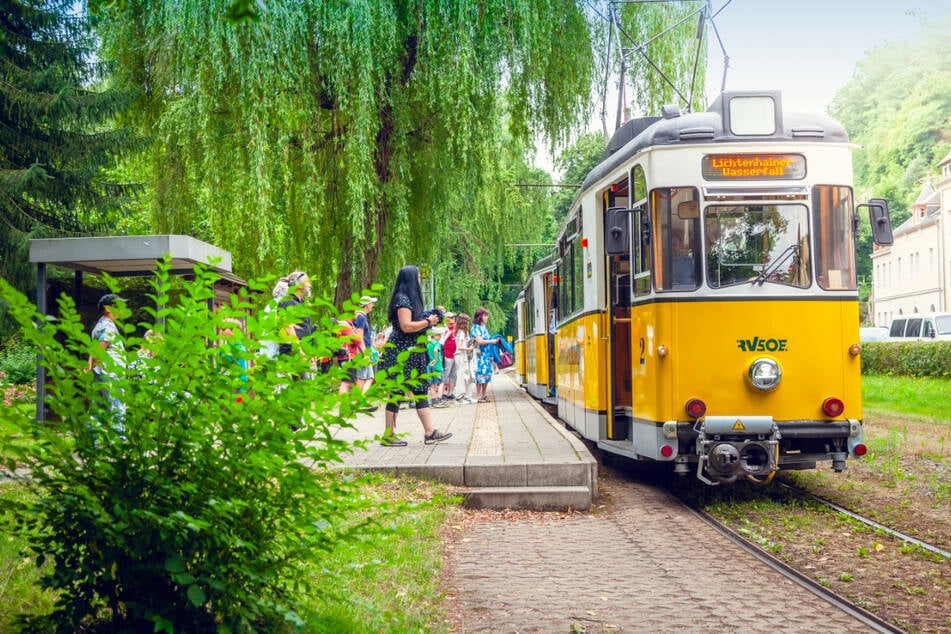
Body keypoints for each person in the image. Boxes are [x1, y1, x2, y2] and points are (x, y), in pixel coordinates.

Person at [378, 265, 452, 446]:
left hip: (413, 352)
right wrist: (428, 321)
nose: (420, 280)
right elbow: (406, 326)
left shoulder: (408, 299)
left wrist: (431, 316)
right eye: (418, 277)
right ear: (411, 279)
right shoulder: (402, 300)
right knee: (396, 392)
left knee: (419, 391)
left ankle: (429, 432)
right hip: (402, 352)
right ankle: (389, 435)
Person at [87, 293, 128, 437]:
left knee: (98, 409)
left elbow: (93, 351)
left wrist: (89, 369)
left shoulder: (100, 325)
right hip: (110, 374)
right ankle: (119, 443)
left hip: (101, 374)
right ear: (108, 308)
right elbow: (99, 352)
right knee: (117, 409)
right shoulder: (108, 327)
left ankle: (90, 443)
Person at [471, 308, 501, 403]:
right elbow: (479, 341)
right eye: (485, 315)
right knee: (479, 374)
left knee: (487, 375)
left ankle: (484, 394)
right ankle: (479, 395)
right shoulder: (476, 328)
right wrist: (492, 341)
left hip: (487, 355)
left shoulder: (484, 327)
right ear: (480, 317)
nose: (487, 317)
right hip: (479, 355)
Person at [351, 296, 378, 394]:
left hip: (366, 350)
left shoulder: (362, 316)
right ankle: (358, 400)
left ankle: (362, 399)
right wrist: (365, 353)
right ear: (366, 305)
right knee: (362, 377)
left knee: (370, 377)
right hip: (362, 351)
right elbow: (359, 336)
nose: (373, 305)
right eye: (371, 303)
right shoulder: (360, 317)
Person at [452, 313, 476, 404]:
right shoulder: (461, 333)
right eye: (468, 321)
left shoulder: (462, 332)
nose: (469, 323)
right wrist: (469, 348)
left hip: (464, 355)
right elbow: (459, 347)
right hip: (461, 355)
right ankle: (459, 397)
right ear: (464, 322)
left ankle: (467, 396)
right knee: (462, 376)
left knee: (468, 376)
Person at [427, 327, 446, 406]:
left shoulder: (428, 344)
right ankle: (439, 398)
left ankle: (433, 399)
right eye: (438, 335)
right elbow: (435, 350)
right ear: (433, 336)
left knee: (432, 384)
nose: (440, 337)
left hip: (430, 365)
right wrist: (435, 359)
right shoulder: (437, 343)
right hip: (437, 365)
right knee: (441, 382)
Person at [441, 312, 457, 401]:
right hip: (447, 355)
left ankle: (450, 392)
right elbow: (442, 341)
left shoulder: (455, 328)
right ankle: (443, 393)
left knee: (453, 375)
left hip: (455, 355)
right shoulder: (444, 329)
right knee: (445, 374)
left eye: (453, 317)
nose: (452, 319)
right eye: (450, 317)